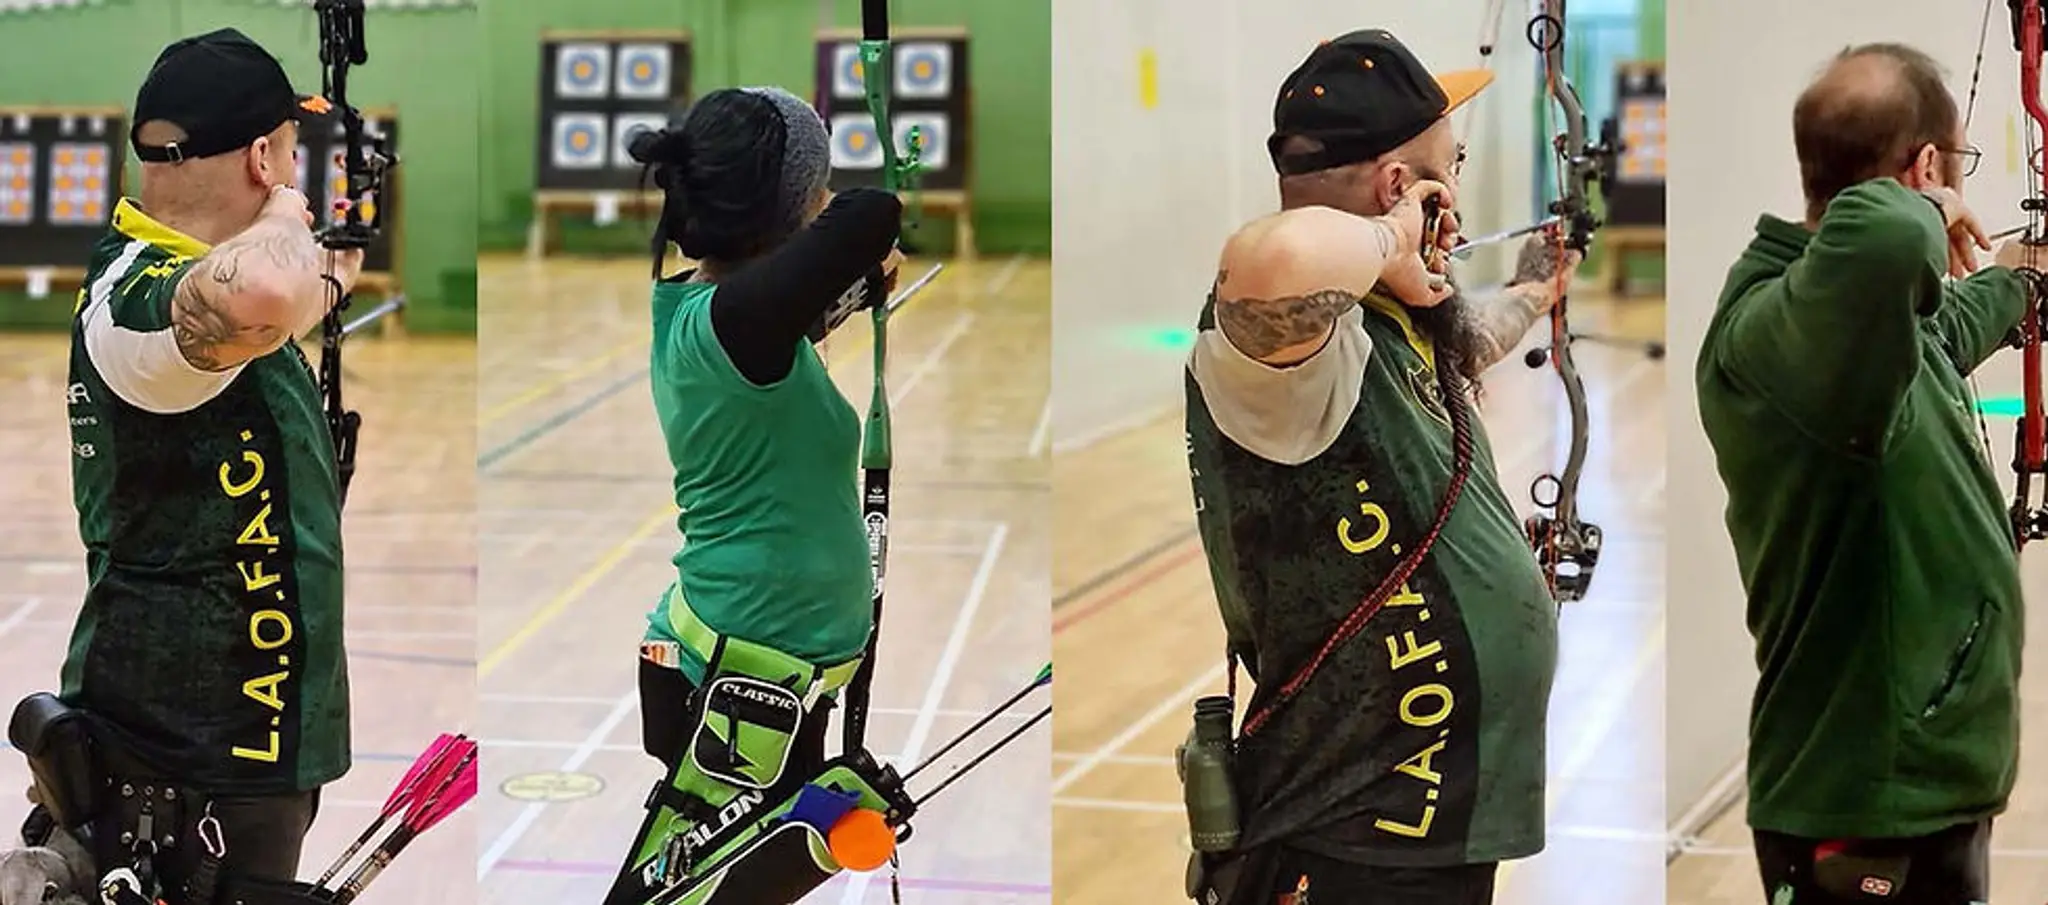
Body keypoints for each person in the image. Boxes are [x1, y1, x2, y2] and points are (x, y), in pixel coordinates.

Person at [1182, 29, 1579, 905]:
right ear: (1402, 186)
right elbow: (1273, 261)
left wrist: (1530, 290)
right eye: (1452, 168)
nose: (1459, 195)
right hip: (1351, 836)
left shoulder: (1376, 321)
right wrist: (1399, 239)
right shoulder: (1281, 356)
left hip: (1421, 821)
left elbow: (1464, 349)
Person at [1695, 43, 2044, 904]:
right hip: (1864, 807)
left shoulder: (1854, 326)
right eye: (1951, 166)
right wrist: (1930, 210)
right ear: (1926, 167)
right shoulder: (1785, 330)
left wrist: (2023, 279)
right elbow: (1888, 237)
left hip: (1917, 790)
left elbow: (1941, 329)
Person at [34, 26, 363, 904]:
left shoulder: (180, 276)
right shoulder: (133, 296)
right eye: (289, 153)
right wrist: (292, 218)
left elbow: (259, 306)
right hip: (182, 761)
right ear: (262, 156)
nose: (293, 170)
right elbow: (253, 297)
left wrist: (324, 284)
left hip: (241, 749)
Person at [601, 86, 903, 905]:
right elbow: (874, 212)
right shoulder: (734, 324)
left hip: (762, 678)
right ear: (788, 205)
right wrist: (837, 234)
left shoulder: (727, 320)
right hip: (735, 684)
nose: (828, 200)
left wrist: (840, 289)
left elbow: (781, 338)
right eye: (815, 189)